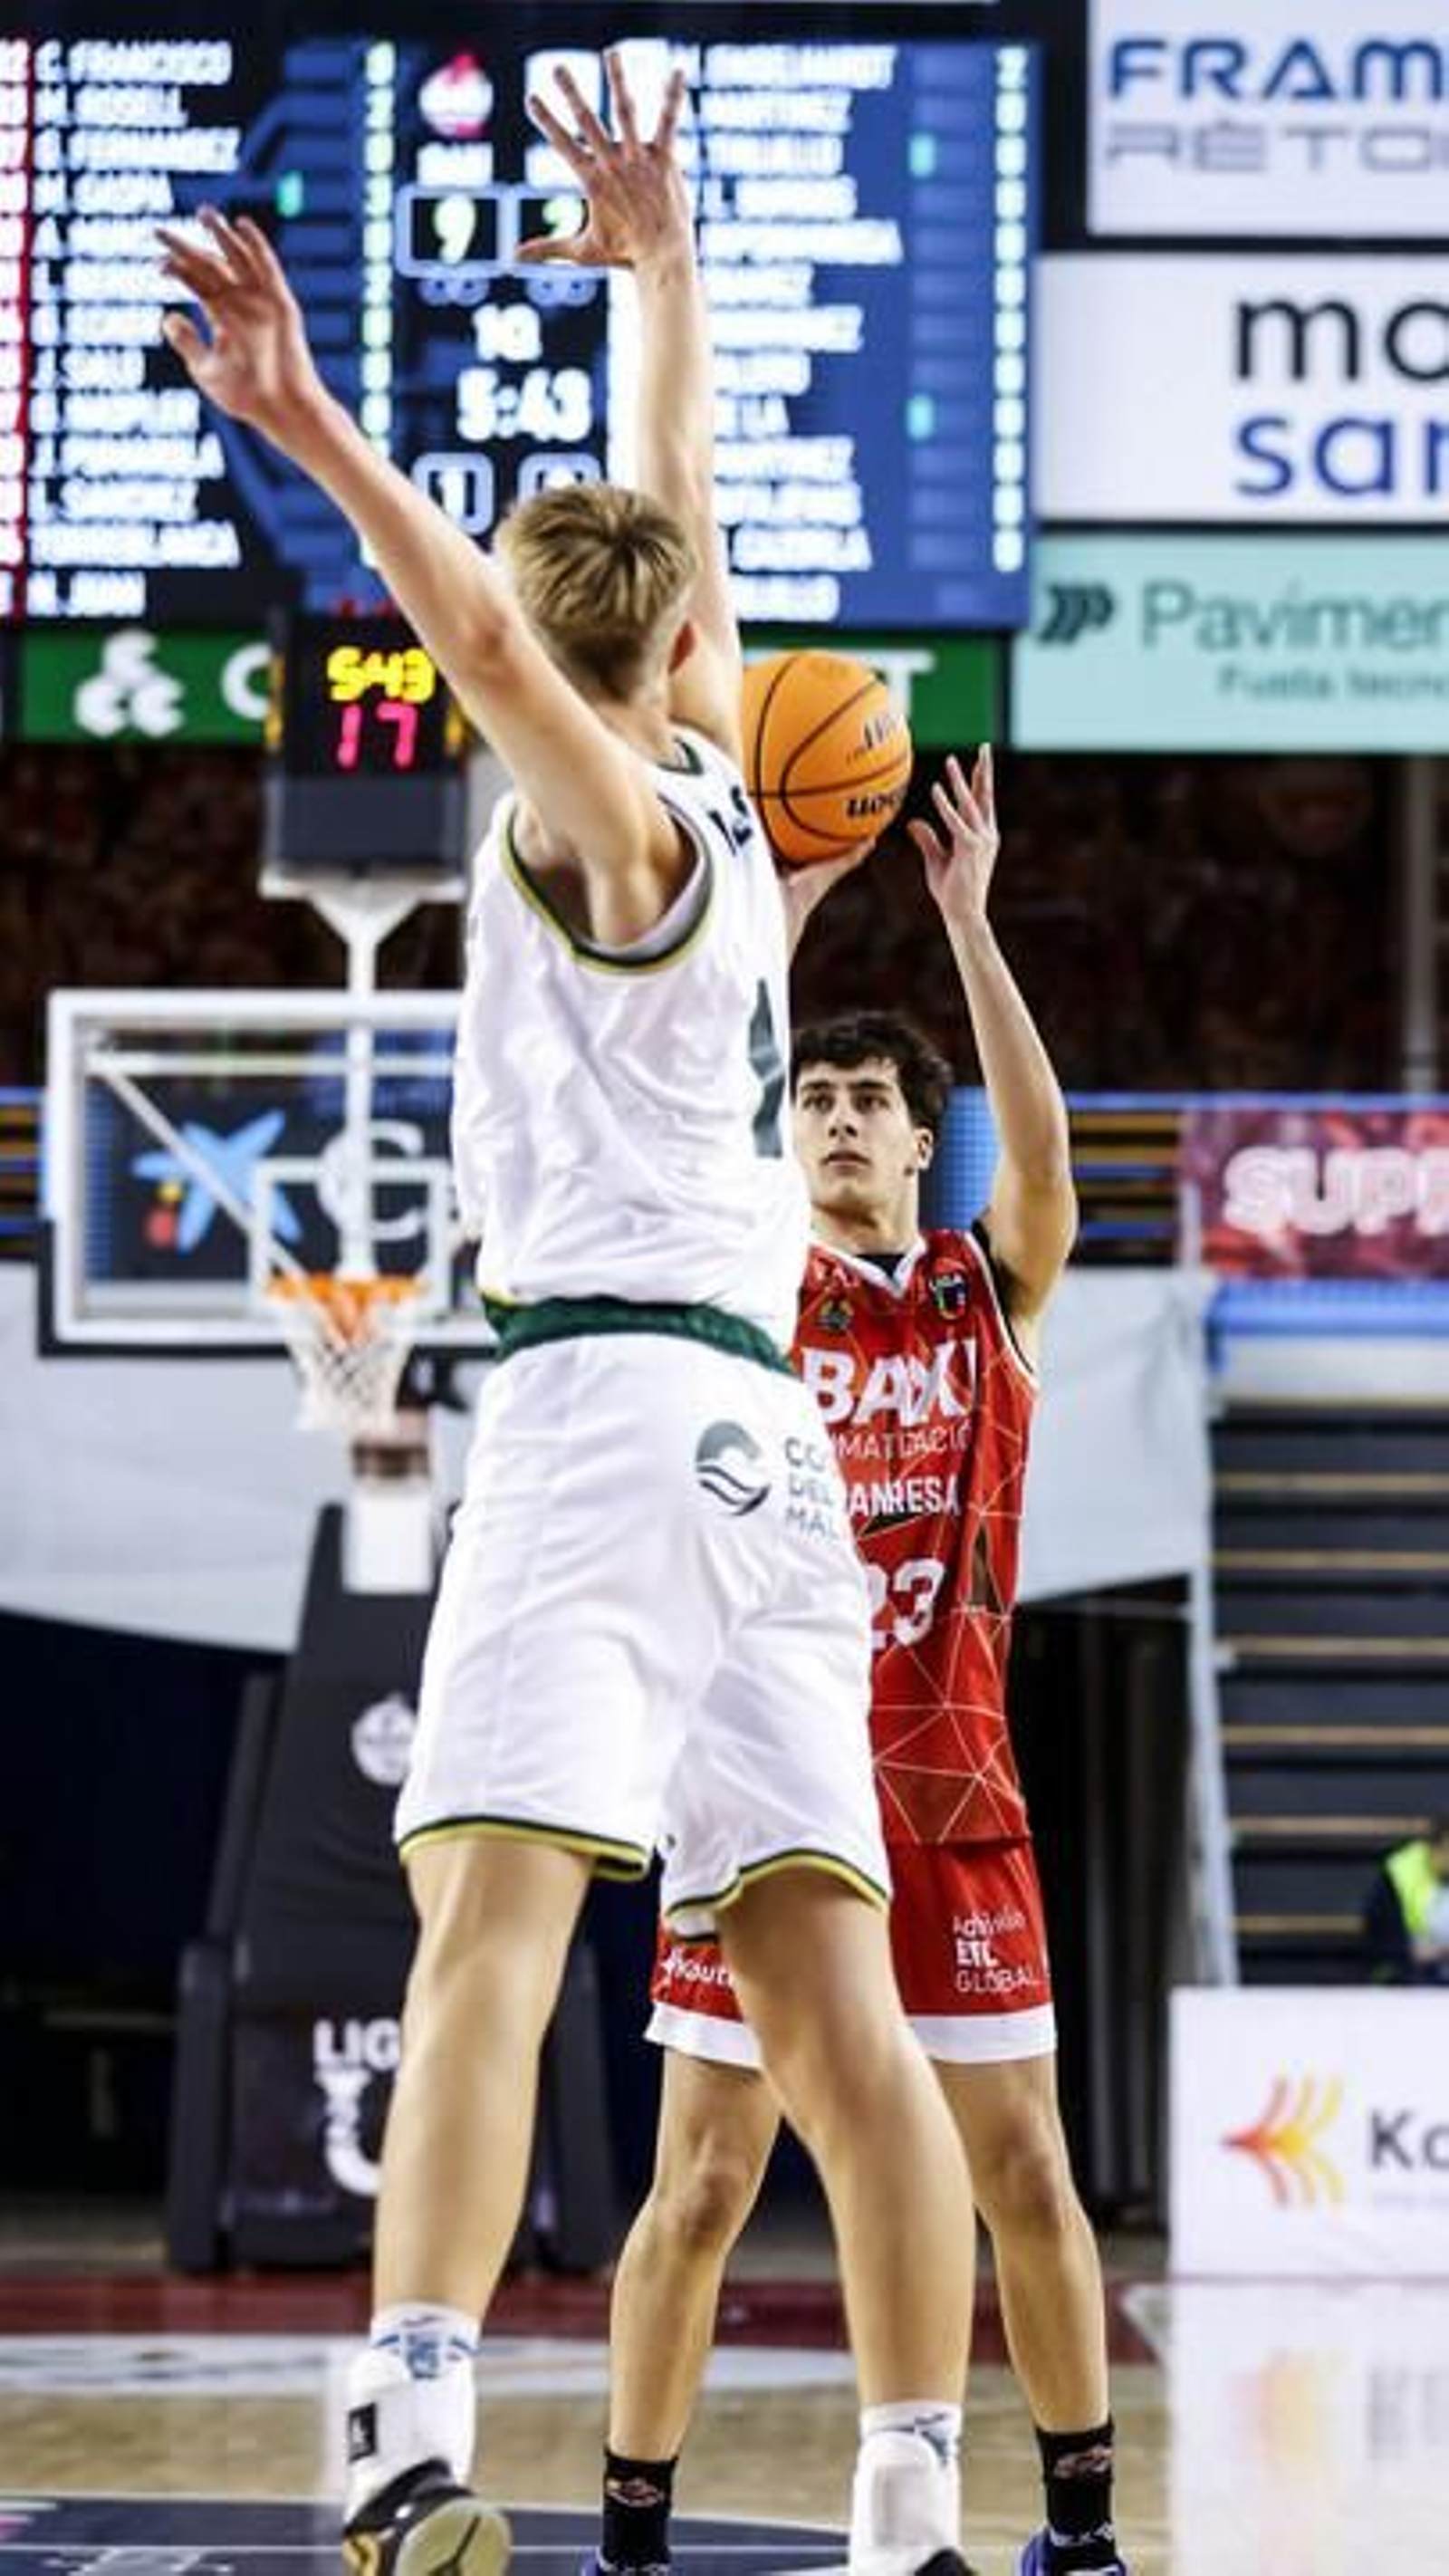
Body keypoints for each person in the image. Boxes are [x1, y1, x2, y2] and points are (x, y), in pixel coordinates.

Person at [159, 54, 977, 2576]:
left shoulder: (617, 823)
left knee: (491, 1930)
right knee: (844, 2014)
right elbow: (679, 518)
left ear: (556, 680)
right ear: (694, 648)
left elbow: (495, 640)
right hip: (775, 1461)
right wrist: (665, 270)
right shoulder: (731, 767)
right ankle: (909, 2509)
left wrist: (305, 420)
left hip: (616, 1404)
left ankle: (406, 2438)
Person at [594, 754, 1129, 2576]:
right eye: (809, 1094)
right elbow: (689, 1114)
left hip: (949, 1798)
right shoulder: (752, 1285)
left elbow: (1048, 1164)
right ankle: (630, 2535)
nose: (830, 1117)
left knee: (1027, 2182)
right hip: (759, 1797)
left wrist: (967, 924)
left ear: (920, 1143)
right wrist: (788, 902)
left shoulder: (991, 1294)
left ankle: (1075, 2532)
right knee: (705, 2190)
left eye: (864, 1102)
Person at [1364, 1816, 1449, 1984]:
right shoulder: (1401, 1872)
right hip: (1410, 1967)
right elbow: (1379, 1932)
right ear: (1433, 1847)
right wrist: (1409, 1950)